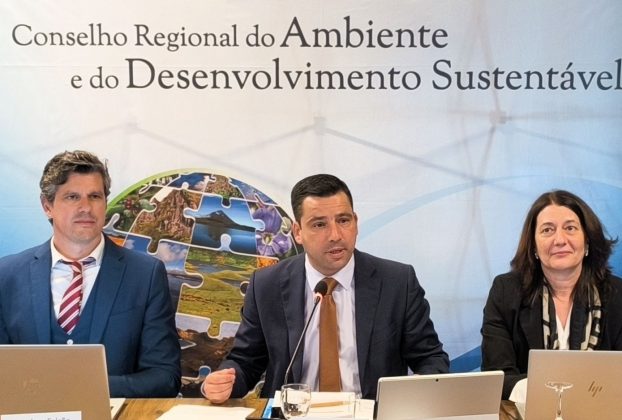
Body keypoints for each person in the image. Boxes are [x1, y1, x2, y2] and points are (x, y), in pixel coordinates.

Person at [203, 174, 448, 403]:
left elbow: (431, 358)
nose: (335, 235)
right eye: (319, 224)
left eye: (343, 220)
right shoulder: (266, 285)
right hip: (294, 414)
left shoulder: (397, 282)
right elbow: (246, 362)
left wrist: (420, 386)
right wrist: (224, 382)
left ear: (355, 222)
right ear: (298, 232)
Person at [0, 150, 181, 397]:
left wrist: (88, 388)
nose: (85, 207)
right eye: (72, 197)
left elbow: (165, 377)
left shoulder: (146, 275)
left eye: (95, 196)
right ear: (47, 206)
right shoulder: (7, 275)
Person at [481, 190, 622, 400]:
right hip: (526, 412)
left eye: (570, 228)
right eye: (547, 230)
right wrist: (552, 394)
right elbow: (497, 376)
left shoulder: (617, 294)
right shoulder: (506, 292)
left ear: (587, 241)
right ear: (534, 246)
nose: (560, 240)